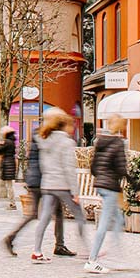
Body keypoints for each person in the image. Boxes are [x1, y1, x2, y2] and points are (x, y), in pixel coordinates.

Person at [30, 108, 87, 264]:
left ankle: (36, 251)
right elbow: (69, 169)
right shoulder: (67, 142)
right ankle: (88, 251)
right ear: (64, 125)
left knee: (44, 218)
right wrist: (75, 192)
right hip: (63, 186)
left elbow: (43, 165)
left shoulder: (44, 140)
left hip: (47, 185)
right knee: (80, 217)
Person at [2, 130, 68, 257]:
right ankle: (58, 245)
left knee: (38, 214)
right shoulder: (44, 138)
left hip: (35, 179)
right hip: (43, 180)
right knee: (53, 212)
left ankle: (11, 238)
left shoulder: (37, 136)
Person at [85, 115, 128, 275]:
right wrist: (138, 186)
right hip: (110, 187)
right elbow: (122, 169)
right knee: (103, 225)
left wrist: (102, 177)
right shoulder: (118, 143)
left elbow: (93, 167)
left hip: (101, 185)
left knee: (118, 220)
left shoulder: (100, 141)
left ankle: (116, 255)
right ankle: (92, 259)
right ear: (120, 126)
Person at [0, 126, 17, 207]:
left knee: (9, 185)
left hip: (7, 164)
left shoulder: (6, 142)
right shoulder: (12, 142)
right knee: (9, 185)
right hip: (11, 163)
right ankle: (12, 202)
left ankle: (12, 203)